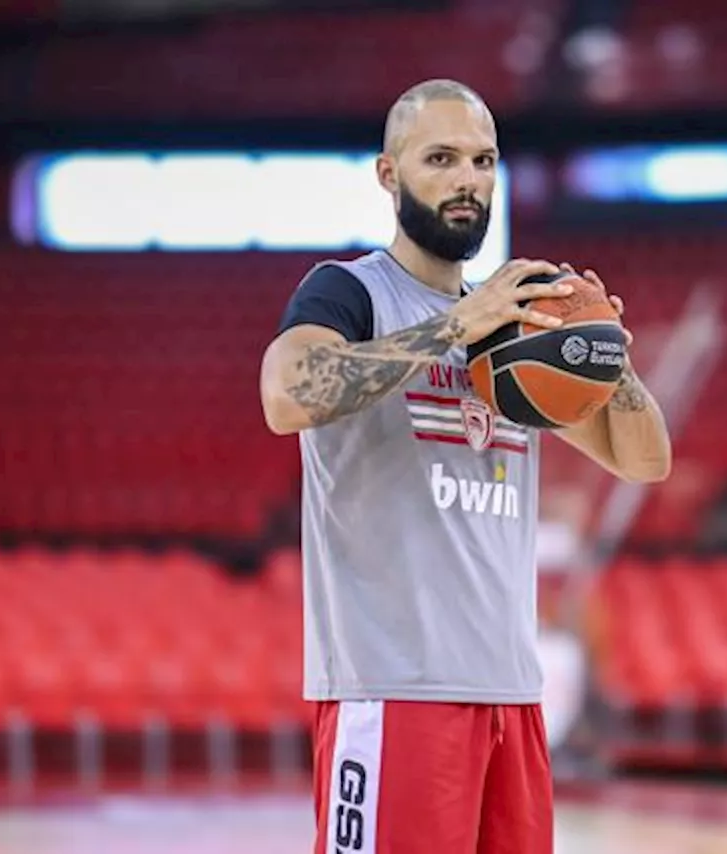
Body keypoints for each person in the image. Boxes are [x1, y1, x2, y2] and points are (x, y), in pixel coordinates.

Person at [259, 78, 672, 854]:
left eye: (483, 160)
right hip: (393, 690)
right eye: (441, 158)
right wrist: (452, 325)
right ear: (389, 174)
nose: (466, 179)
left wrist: (607, 358)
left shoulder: (515, 332)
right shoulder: (349, 292)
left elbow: (645, 460)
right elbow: (286, 395)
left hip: (510, 695)